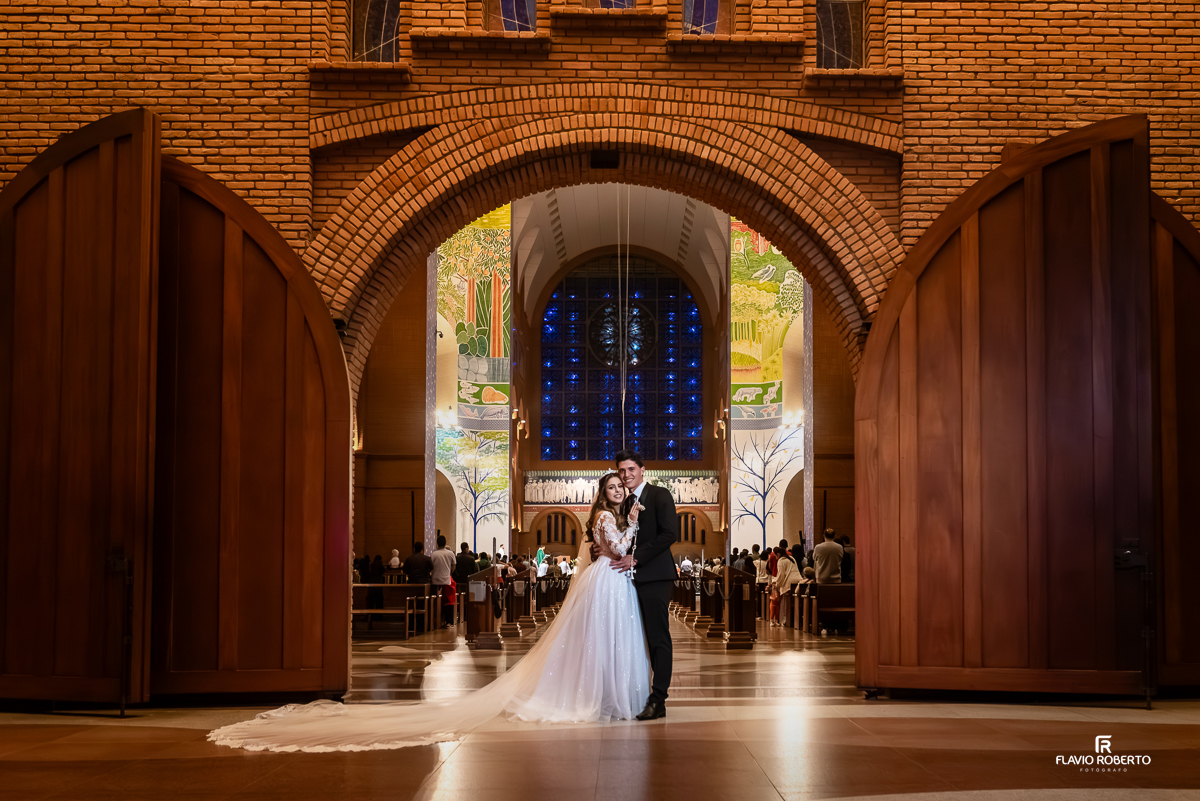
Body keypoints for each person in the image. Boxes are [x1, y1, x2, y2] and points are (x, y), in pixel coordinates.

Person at [209, 471, 651, 752]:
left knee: (606, 640)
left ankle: (606, 695)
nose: (617, 490)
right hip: (607, 581)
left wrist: (628, 526)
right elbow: (614, 548)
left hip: (612, 584)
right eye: (611, 487)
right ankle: (598, 697)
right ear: (602, 492)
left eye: (620, 487)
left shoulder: (612, 514)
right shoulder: (606, 518)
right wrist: (631, 523)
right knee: (597, 639)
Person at [609, 449, 679, 722]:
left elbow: (670, 533)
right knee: (632, 639)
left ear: (642, 470)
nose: (626, 475)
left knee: (657, 638)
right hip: (628, 580)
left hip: (655, 577)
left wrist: (636, 557)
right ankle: (633, 695)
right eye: (622, 471)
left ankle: (658, 699)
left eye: (630, 470)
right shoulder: (625, 504)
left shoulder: (660, 495)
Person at [772, 547, 801, 627]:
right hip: (798, 581)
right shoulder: (791, 558)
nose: (775, 557)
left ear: (778, 554)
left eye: (775, 555)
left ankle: (785, 621)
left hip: (788, 583)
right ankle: (796, 620)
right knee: (796, 602)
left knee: (785, 604)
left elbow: (781, 575)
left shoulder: (781, 561)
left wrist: (777, 585)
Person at [431, 535, 456, 627]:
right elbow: (453, 566)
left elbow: (431, 567)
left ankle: (434, 620)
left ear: (437, 543)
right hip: (446, 580)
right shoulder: (450, 553)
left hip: (435, 580)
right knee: (448, 602)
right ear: (445, 543)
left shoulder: (433, 554)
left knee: (435, 601)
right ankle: (448, 621)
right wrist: (449, 573)